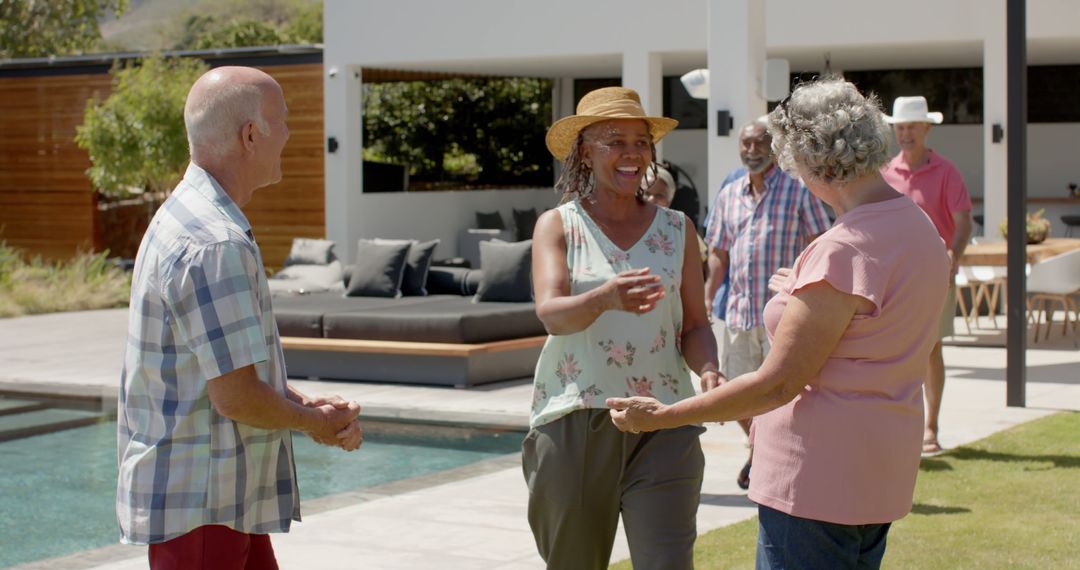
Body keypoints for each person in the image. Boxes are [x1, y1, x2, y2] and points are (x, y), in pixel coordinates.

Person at [608, 78, 950, 569]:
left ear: (811, 160)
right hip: (881, 469)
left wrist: (664, 416)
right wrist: (807, 286)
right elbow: (876, 317)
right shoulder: (916, 225)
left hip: (817, 479)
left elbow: (777, 385)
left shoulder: (842, 249)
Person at [117, 66, 363, 569]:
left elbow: (224, 370)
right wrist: (315, 423)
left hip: (219, 503)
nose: (290, 136)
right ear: (250, 135)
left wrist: (300, 400)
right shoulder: (213, 241)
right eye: (283, 121)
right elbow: (235, 396)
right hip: (205, 507)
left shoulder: (190, 219)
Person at [525, 86, 719, 570]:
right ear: (584, 151)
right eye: (616, 140)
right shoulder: (557, 226)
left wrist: (711, 369)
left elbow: (694, 325)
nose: (632, 153)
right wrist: (605, 297)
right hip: (577, 417)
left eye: (641, 141)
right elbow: (552, 312)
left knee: (667, 562)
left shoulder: (678, 229)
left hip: (664, 418)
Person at [702, 118, 831, 489]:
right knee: (738, 393)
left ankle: (771, 455)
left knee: (783, 392)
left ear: (773, 148)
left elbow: (821, 242)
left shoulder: (798, 189)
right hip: (740, 312)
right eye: (746, 144)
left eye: (760, 144)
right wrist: (709, 298)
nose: (752, 151)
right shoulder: (729, 194)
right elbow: (718, 253)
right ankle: (761, 449)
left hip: (783, 314)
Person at [881, 95, 973, 455]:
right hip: (892, 277)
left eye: (912, 127)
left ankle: (930, 428)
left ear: (926, 129)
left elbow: (963, 220)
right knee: (891, 349)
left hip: (935, 273)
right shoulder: (885, 172)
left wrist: (954, 254)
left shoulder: (946, 172)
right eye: (900, 127)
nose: (905, 133)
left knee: (931, 349)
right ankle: (898, 424)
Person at [643, 165, 708, 265]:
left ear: (669, 200)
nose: (651, 199)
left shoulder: (682, 229)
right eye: (646, 193)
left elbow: (699, 266)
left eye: (659, 195)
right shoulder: (623, 226)